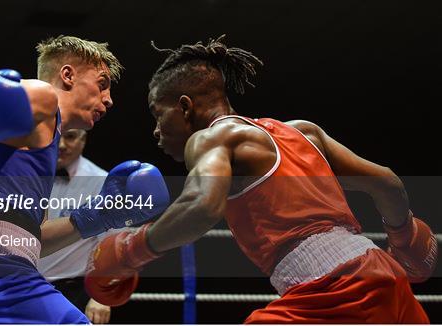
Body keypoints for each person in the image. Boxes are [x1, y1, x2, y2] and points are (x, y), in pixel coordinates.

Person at [84, 36, 437, 323]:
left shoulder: (212, 138)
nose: (157, 131)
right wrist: (404, 236)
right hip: (384, 278)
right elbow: (387, 183)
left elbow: (201, 205)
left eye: (158, 114)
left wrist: (132, 250)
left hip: (333, 294)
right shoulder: (303, 133)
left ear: (185, 107)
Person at [0, 35, 169, 323]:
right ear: (68, 75)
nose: (108, 99)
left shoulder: (42, 144)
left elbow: (34, 239)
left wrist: (97, 216)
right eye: (102, 84)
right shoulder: (44, 98)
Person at [38, 128, 113, 324]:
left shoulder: (102, 182)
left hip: (71, 293)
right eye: (56, 137)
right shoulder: (27, 174)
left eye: (70, 137)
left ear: (83, 139)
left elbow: (113, 246)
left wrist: (101, 296)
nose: (62, 145)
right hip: (20, 286)